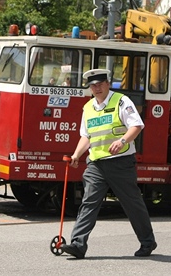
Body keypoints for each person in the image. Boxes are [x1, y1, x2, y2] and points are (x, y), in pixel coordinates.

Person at [61, 69, 156, 259]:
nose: (96, 88)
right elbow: (86, 136)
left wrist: (122, 141)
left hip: (120, 163)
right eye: (92, 85)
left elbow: (136, 126)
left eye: (100, 84)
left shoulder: (121, 101)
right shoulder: (88, 108)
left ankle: (147, 242)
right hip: (96, 164)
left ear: (108, 83)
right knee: (89, 202)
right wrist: (76, 155)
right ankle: (78, 244)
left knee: (132, 204)